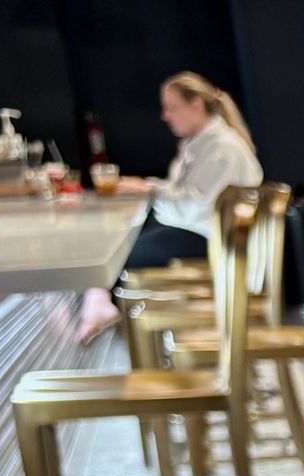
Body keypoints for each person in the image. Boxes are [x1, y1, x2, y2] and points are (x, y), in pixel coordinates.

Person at [78, 71, 263, 342]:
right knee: (124, 243)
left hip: (216, 241)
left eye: (171, 107)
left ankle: (102, 305)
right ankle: (101, 302)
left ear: (196, 105)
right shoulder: (200, 143)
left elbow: (195, 205)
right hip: (204, 233)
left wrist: (149, 189)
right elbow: (185, 194)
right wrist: (149, 188)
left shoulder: (222, 147)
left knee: (119, 255)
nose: (165, 116)